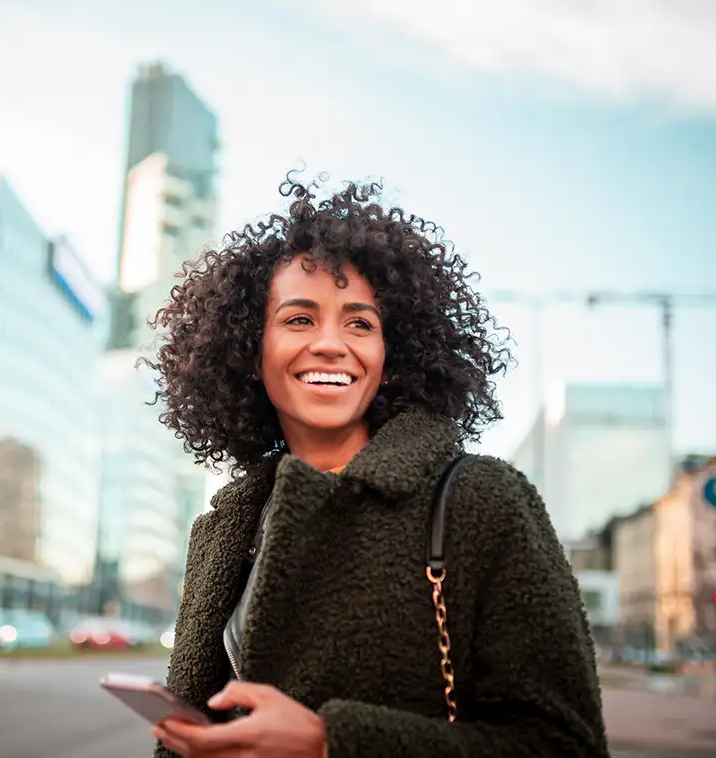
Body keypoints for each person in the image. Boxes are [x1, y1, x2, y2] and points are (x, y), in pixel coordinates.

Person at [144, 173, 609, 757]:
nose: (332, 344)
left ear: (391, 356)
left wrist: (329, 744)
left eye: (360, 323)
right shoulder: (221, 532)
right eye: (299, 319)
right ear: (249, 351)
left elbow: (565, 746)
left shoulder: (480, 501)